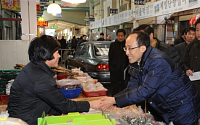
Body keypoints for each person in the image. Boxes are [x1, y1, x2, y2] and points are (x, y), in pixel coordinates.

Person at [100, 31, 200, 125]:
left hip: (183, 109)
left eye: (130, 48)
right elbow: (132, 87)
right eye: (125, 48)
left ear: (142, 48)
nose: (127, 52)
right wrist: (112, 100)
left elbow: (145, 91)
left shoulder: (158, 62)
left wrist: (114, 101)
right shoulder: (139, 61)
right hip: (169, 108)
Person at [7, 35, 100, 125]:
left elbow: (47, 101)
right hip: (26, 122)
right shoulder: (41, 79)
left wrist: (63, 113)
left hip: (20, 117)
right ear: (47, 54)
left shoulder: (32, 68)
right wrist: (90, 105)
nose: (59, 56)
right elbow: (64, 105)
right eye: (57, 53)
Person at [182, 18, 200, 95]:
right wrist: (187, 69)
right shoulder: (191, 46)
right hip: (194, 86)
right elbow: (184, 62)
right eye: (197, 30)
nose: (199, 33)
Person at [109, 29, 129, 96]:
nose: (120, 37)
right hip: (114, 71)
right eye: (118, 36)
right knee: (115, 88)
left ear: (125, 36)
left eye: (121, 36)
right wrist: (111, 68)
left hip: (125, 71)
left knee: (124, 88)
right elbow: (110, 57)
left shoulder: (128, 45)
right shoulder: (113, 45)